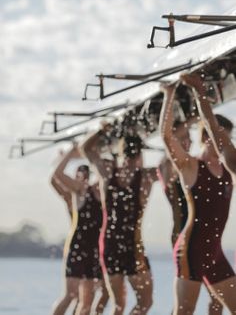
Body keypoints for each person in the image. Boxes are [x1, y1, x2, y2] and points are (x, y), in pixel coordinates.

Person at [159, 74, 236, 314]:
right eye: (221, 137)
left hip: (215, 252)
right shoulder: (191, 166)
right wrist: (168, 95)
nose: (225, 142)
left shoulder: (228, 168)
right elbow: (167, 136)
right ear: (206, 138)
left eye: (228, 137)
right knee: (184, 311)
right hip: (190, 250)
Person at [82, 127, 158, 315]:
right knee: (145, 303)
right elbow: (174, 164)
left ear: (120, 151)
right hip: (132, 245)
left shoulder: (108, 172)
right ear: (141, 154)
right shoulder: (146, 176)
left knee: (118, 304)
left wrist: (102, 130)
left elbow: (85, 149)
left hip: (109, 244)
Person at [157, 119, 224, 314]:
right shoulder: (168, 166)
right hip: (184, 238)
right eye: (182, 139)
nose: (186, 142)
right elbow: (170, 139)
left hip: (206, 239)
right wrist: (191, 121)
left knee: (216, 298)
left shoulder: (195, 164)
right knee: (185, 305)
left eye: (189, 139)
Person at [50, 145, 108, 315]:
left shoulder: (99, 191)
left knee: (87, 300)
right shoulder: (76, 193)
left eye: (83, 175)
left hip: (94, 250)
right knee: (71, 295)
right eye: (77, 176)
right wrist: (68, 155)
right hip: (77, 246)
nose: (80, 179)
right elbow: (55, 179)